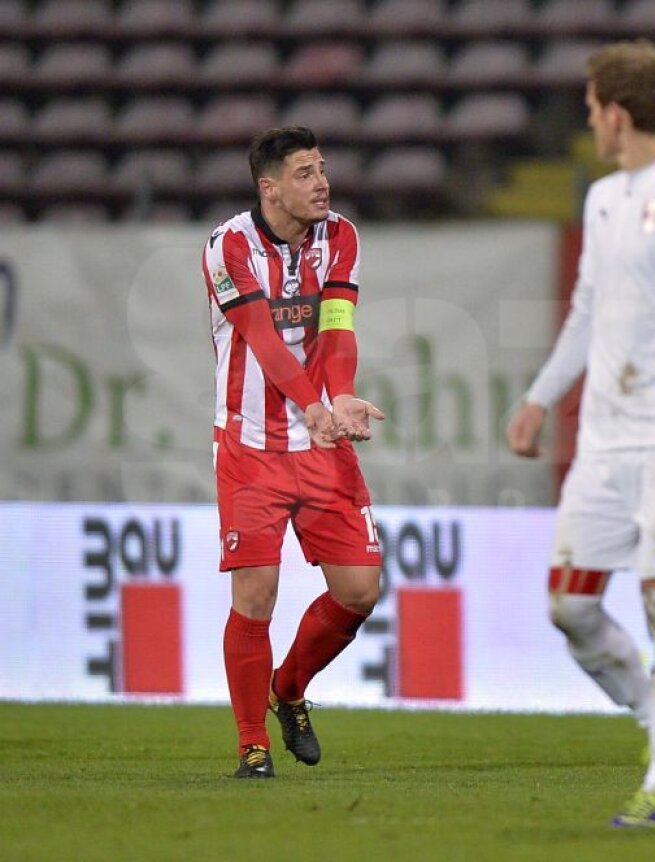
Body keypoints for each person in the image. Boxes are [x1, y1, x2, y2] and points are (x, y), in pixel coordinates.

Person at [506, 41, 655, 827]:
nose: (590, 123)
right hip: (604, 448)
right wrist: (540, 398)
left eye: (591, 108)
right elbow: (585, 311)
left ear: (616, 111)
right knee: (568, 607)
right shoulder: (604, 199)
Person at [202, 126, 385, 779]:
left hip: (321, 444)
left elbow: (337, 326)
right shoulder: (228, 246)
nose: (322, 183)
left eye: (323, 169)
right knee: (256, 594)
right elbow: (262, 337)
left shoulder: (339, 236)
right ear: (269, 186)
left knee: (361, 590)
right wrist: (313, 404)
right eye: (305, 172)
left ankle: (288, 689)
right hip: (251, 445)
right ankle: (252, 744)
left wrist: (340, 396)